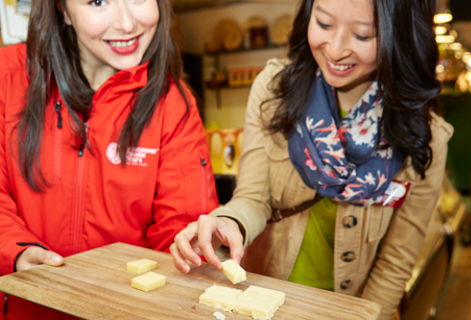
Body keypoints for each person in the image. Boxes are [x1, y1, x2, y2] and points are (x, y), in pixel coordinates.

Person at [170, 0, 453, 319]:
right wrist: (228, 222)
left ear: (399, 37)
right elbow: (253, 198)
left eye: (362, 36)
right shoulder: (274, 90)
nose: (334, 50)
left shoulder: (425, 136)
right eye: (324, 23)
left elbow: (395, 263)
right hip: (264, 299)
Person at [0, 0, 219, 318]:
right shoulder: (7, 75)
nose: (127, 24)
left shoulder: (174, 103)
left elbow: (181, 228)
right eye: (98, 1)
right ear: (63, 10)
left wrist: (190, 245)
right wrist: (14, 251)